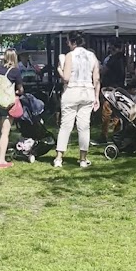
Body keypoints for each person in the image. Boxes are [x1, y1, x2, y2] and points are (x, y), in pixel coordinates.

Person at [54, 32, 101, 170]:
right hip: (88, 92)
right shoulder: (92, 56)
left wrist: (59, 70)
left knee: (66, 126)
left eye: (68, 41)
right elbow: (97, 79)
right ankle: (83, 158)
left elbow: (66, 78)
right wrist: (97, 97)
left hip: (72, 91)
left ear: (72, 42)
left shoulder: (69, 56)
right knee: (84, 126)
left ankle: (58, 157)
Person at [0, 49, 23, 168]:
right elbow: (20, 89)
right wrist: (16, 92)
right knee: (6, 133)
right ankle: (2, 161)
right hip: (6, 103)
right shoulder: (15, 71)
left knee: (0, 132)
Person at [100, 40, 127, 141]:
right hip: (119, 87)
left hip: (110, 88)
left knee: (106, 112)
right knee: (117, 112)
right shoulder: (123, 58)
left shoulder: (114, 59)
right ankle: (116, 133)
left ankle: (104, 135)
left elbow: (105, 70)